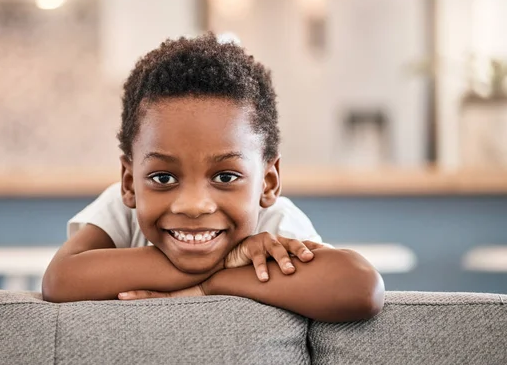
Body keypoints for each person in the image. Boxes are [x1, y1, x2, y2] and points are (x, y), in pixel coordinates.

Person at [42, 33, 384, 322]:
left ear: (268, 182)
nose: (194, 206)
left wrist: (214, 285)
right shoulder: (119, 208)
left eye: (225, 176)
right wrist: (229, 260)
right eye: (163, 178)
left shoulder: (276, 224)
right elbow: (61, 280)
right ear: (129, 183)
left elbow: (360, 288)